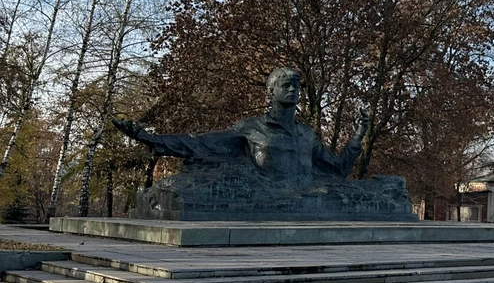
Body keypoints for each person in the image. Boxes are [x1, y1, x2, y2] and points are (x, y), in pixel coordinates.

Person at [114, 67, 368, 182]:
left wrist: (358, 135)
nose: (293, 90)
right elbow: (199, 142)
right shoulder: (251, 129)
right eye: (286, 85)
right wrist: (150, 138)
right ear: (270, 91)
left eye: (297, 86)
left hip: (308, 201)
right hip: (268, 202)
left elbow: (337, 170)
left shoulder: (306, 134)